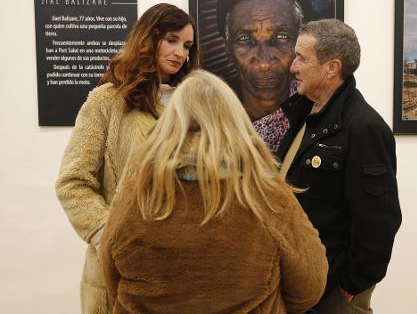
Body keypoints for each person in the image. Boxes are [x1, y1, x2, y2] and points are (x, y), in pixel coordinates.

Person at [99, 70, 328, 314]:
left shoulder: (138, 192)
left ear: (172, 121)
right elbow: (309, 287)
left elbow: (111, 275)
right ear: (233, 118)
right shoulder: (265, 194)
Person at [55, 3, 200, 314]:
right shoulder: (109, 100)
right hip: (119, 269)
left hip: (181, 264)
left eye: (187, 46)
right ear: (149, 38)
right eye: (172, 40)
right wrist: (110, 237)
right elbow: (73, 182)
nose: (180, 53)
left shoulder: (193, 107)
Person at [277, 19, 402, 313]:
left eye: (301, 58)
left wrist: (349, 288)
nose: (292, 67)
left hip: (334, 291)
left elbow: (379, 222)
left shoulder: (364, 128)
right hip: (305, 282)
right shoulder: (305, 114)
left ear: (332, 67)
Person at [217, 0, 311, 151]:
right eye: (245, 39)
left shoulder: (321, 119)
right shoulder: (209, 123)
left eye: (281, 37)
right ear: (227, 49)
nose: (264, 63)